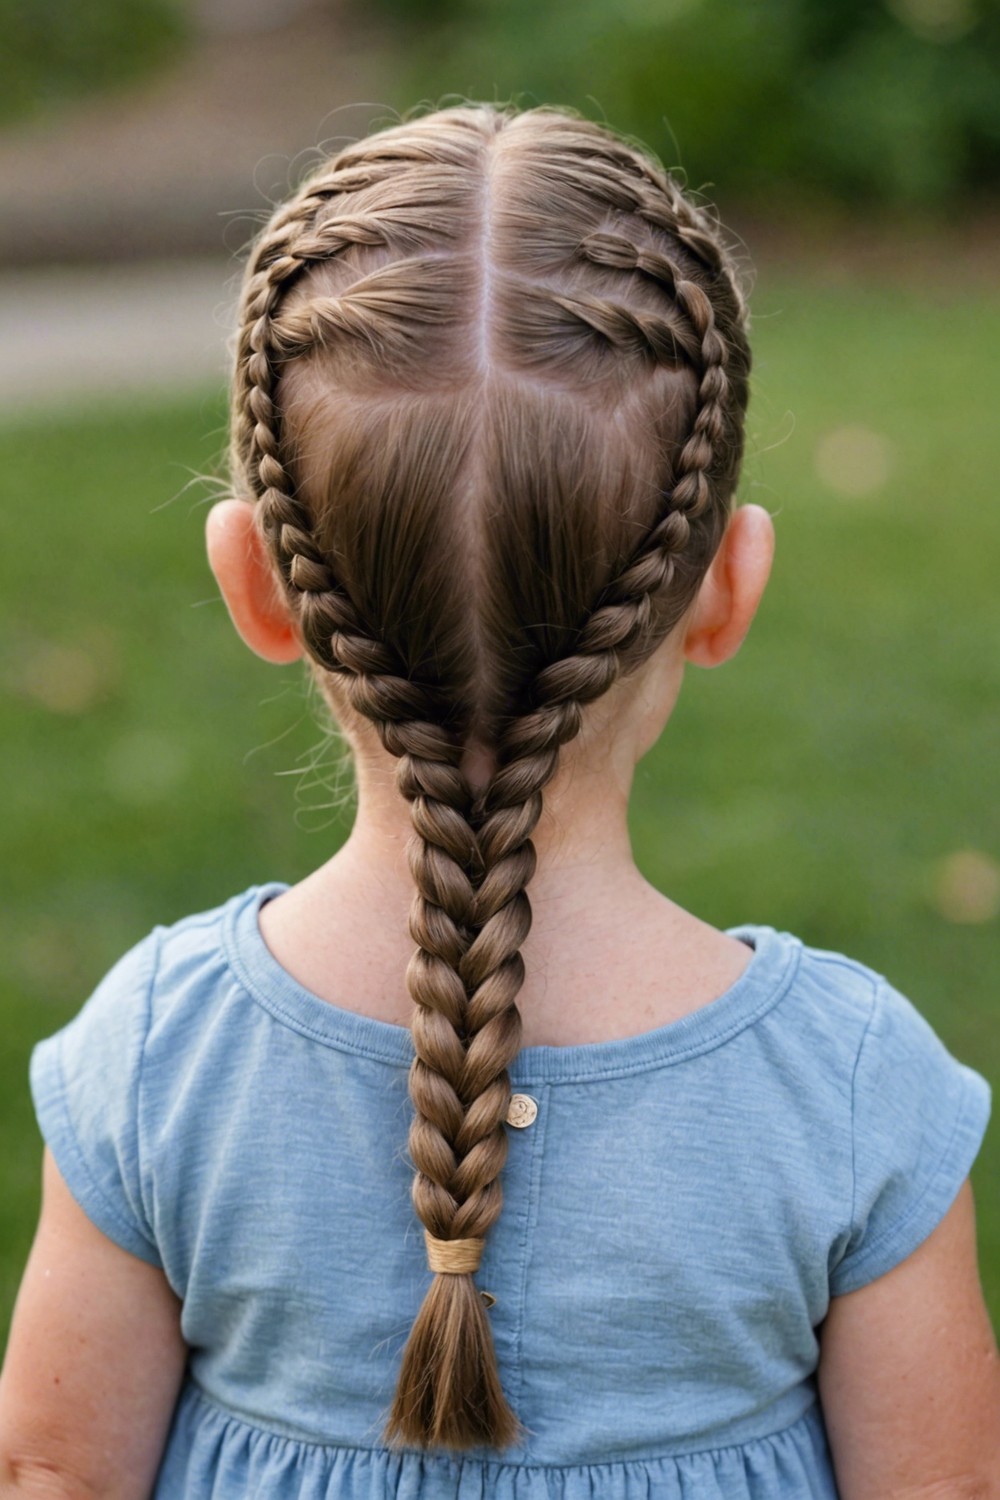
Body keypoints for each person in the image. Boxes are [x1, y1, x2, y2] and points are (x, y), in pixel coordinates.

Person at [0, 102, 996, 1500]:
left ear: (253, 587)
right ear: (726, 589)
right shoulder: (847, 1094)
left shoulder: (162, 1057)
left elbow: (53, 1470)